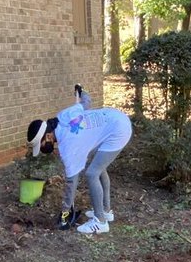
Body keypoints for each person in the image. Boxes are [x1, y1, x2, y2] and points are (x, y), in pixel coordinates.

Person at [26, 85, 133, 234]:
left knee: (92, 173)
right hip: (113, 117)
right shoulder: (62, 116)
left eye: (42, 144)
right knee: (98, 167)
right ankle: (106, 211)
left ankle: (100, 221)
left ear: (48, 136)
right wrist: (81, 92)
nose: (43, 149)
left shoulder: (67, 147)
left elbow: (71, 183)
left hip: (118, 131)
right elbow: (86, 103)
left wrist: (65, 212)